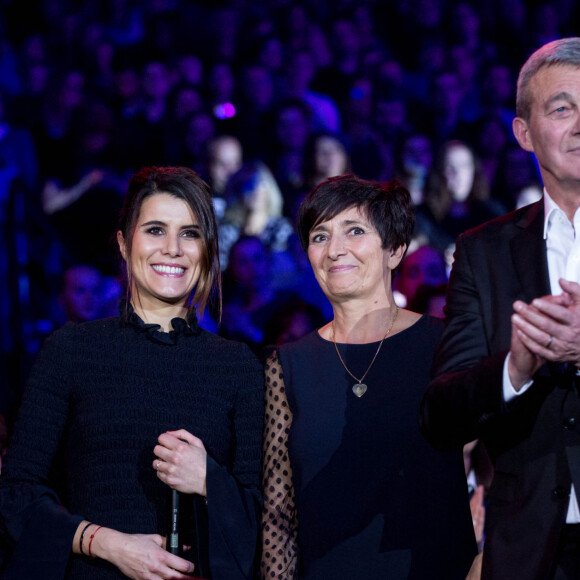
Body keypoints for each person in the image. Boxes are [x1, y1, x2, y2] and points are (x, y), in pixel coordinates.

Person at [0, 166, 264, 579]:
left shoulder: (239, 366)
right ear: (124, 244)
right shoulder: (71, 350)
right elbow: (16, 494)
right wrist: (109, 543)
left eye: (190, 233)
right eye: (155, 230)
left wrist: (210, 480)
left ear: (209, 250)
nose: (173, 248)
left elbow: (266, 522)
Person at [261, 174, 477, 579]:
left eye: (354, 231)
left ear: (394, 249)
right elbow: (279, 516)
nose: (334, 250)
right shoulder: (286, 365)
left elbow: (505, 467)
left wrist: (484, 564)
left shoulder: (446, 345)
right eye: (319, 236)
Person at [420, 38, 580, 579]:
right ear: (524, 132)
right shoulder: (482, 251)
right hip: (530, 551)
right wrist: (517, 368)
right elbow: (441, 415)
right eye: (563, 109)